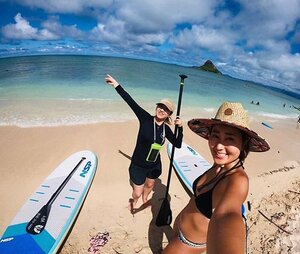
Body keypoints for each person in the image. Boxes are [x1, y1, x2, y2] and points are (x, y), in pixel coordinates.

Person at [163, 102, 270, 254]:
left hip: (189, 243)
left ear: (243, 143)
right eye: (215, 136)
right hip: (180, 227)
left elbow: (227, 215)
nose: (219, 146)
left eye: (230, 139)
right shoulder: (219, 165)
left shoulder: (238, 180)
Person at [105, 74, 183, 212]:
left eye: (165, 109)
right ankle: (134, 201)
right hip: (138, 165)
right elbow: (130, 102)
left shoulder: (166, 129)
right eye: (160, 106)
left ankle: (145, 198)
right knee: (137, 192)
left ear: (169, 114)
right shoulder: (145, 119)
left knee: (150, 184)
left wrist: (180, 128)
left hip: (154, 165)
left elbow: (177, 144)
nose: (161, 110)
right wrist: (116, 85)